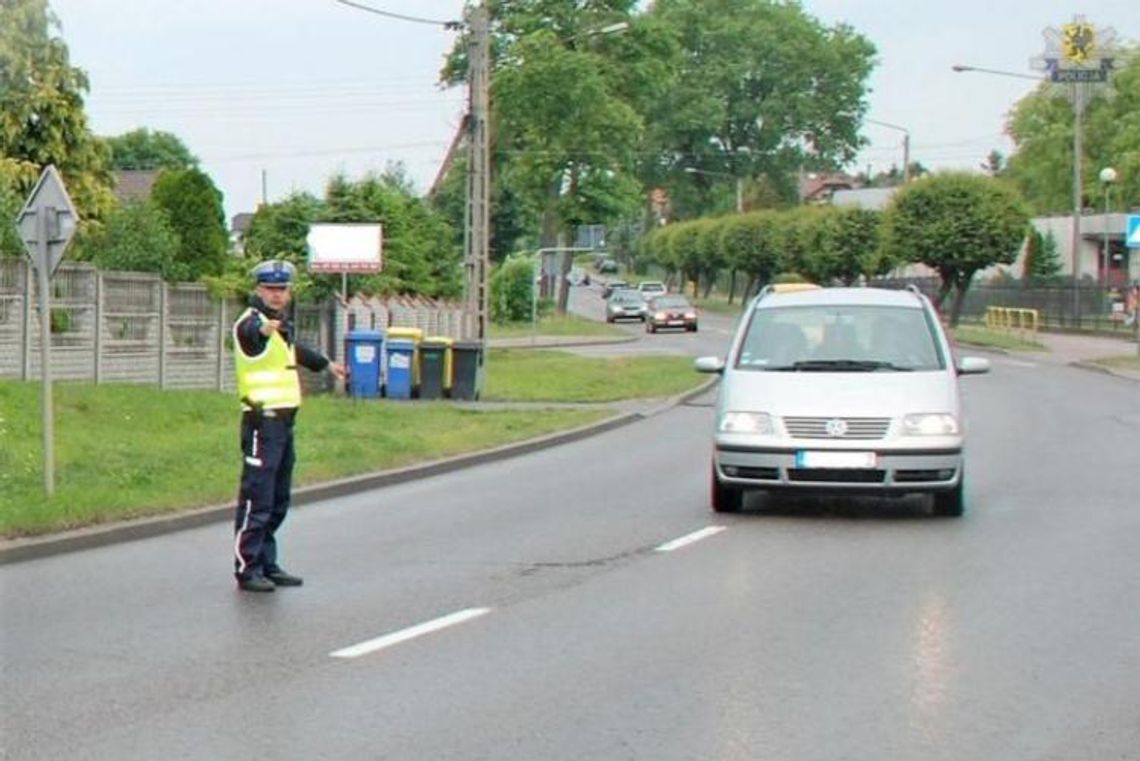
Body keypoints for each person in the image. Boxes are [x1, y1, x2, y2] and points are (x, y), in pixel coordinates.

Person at [231, 260, 345, 593]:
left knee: (278, 498)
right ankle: (247, 567)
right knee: (257, 497)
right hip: (261, 422)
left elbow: (294, 352)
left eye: (282, 289)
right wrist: (264, 331)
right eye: (270, 289)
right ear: (258, 289)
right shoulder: (251, 322)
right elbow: (252, 339)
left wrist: (327, 365)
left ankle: (267, 562)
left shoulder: (280, 326)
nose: (277, 295)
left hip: (283, 423)